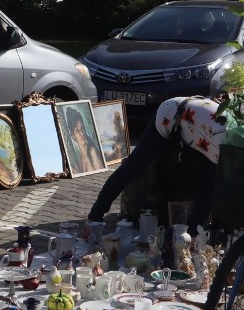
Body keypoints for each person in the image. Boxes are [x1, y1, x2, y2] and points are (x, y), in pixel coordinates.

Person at [87, 96, 226, 229]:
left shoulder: (230, 143)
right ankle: (96, 214)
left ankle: (183, 221)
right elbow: (209, 189)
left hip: (197, 125)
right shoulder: (222, 146)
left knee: (200, 176)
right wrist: (193, 232)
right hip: (171, 114)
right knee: (133, 167)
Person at [65, 107, 104, 174]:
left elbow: (101, 176)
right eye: (77, 130)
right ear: (73, 136)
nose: (82, 133)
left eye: (82, 128)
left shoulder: (92, 151)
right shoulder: (79, 161)